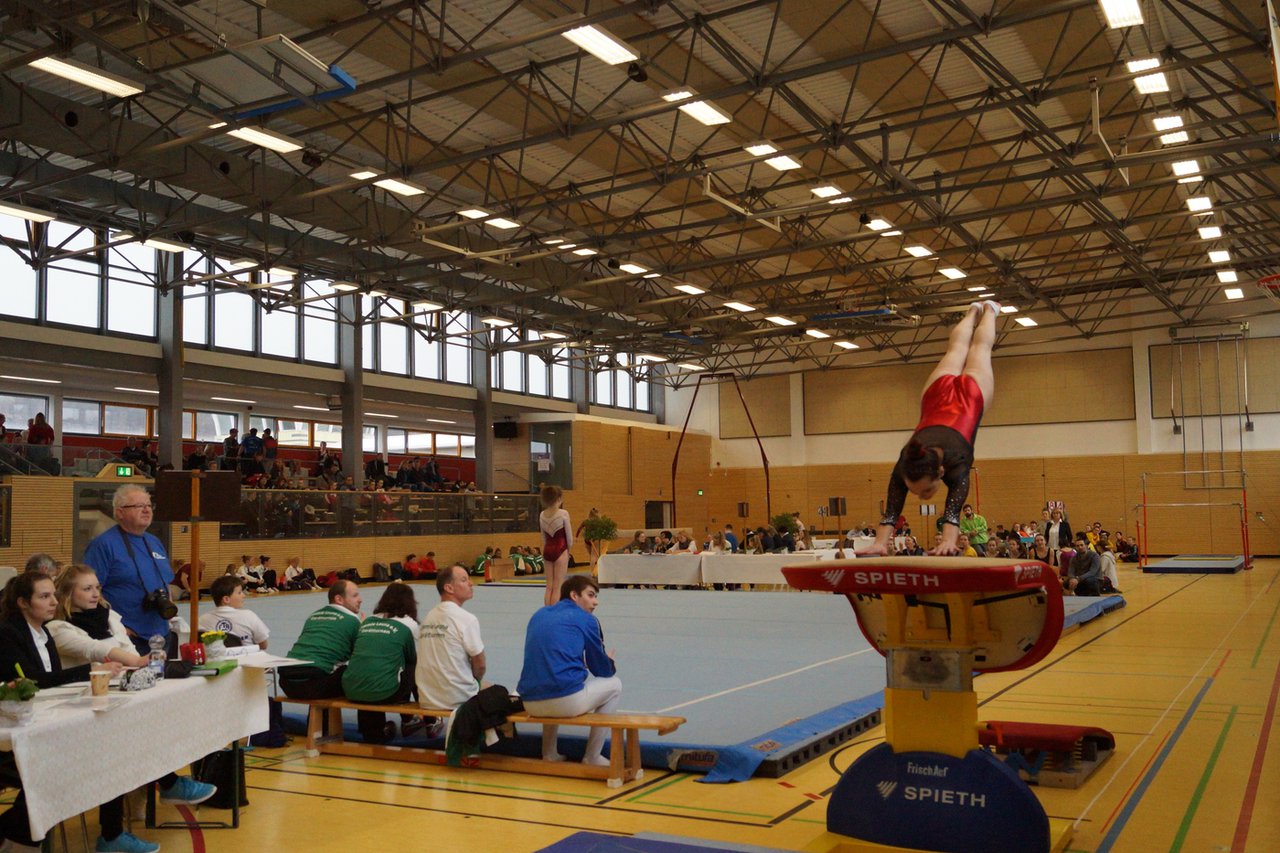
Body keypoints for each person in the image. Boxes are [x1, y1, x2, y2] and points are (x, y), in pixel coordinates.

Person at [1, 572, 215, 853]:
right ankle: (17, 831)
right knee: (79, 760)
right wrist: (91, 670)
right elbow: (33, 680)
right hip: (18, 727)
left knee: (111, 744)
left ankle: (112, 833)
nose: (52, 601)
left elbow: (48, 679)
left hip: (48, 717)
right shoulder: (13, 633)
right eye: (44, 596)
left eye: (53, 595)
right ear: (23, 602)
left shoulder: (44, 632)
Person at [865, 302, 999, 556]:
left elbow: (953, 510)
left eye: (926, 490)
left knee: (977, 349)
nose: (923, 497)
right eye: (917, 492)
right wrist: (880, 543)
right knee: (960, 349)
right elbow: (891, 510)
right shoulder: (906, 465)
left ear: (941, 471)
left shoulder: (957, 462)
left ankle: (987, 310)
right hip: (936, 396)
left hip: (971, 395)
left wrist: (948, 541)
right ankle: (976, 311)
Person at [518, 575, 620, 766]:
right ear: (574, 595)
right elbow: (602, 670)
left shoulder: (538, 614)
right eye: (590, 595)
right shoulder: (587, 619)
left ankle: (549, 753)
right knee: (615, 685)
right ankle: (592, 756)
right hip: (565, 703)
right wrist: (610, 661)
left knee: (550, 678)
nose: (595, 602)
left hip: (530, 702)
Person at [81, 484, 176, 657]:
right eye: (139, 506)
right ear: (120, 512)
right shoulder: (103, 545)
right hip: (128, 638)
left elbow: (165, 581)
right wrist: (116, 627)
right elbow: (88, 592)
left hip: (161, 635)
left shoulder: (154, 542)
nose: (147, 510)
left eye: (149, 505)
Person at [342, 583, 420, 743]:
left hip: (352, 689)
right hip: (384, 691)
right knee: (413, 665)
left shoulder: (367, 621)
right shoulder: (408, 623)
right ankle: (413, 719)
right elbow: (414, 660)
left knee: (369, 666)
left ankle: (368, 727)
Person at [46, 564, 149, 669]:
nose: (96, 594)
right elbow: (93, 649)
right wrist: (137, 661)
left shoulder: (109, 617)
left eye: (98, 587)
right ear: (68, 593)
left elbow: (131, 651)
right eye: (87, 589)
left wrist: (141, 663)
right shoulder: (56, 628)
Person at [416, 564, 486, 712]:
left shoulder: (429, 617)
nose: (471, 583)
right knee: (498, 693)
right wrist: (476, 681)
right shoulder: (466, 619)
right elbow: (480, 665)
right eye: (464, 580)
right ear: (449, 588)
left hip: (427, 698)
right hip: (458, 697)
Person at [279, 580, 363, 700]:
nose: (360, 600)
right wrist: (364, 630)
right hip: (315, 683)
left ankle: (318, 713)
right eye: (355, 596)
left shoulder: (313, 616)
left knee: (323, 667)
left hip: (287, 682)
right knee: (361, 674)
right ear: (339, 599)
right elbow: (361, 655)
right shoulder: (352, 620)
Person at [199, 576, 269, 650]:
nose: (243, 595)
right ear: (226, 599)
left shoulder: (202, 620)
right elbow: (263, 645)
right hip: (247, 656)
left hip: (216, 657)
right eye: (239, 593)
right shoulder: (248, 616)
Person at [539, 485, 572, 606]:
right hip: (561, 549)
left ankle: (547, 610)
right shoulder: (563, 513)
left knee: (549, 586)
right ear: (558, 498)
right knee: (558, 586)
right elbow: (569, 537)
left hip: (547, 549)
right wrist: (568, 551)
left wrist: (547, 548)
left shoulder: (542, 514)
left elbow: (543, 537)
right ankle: (555, 612)